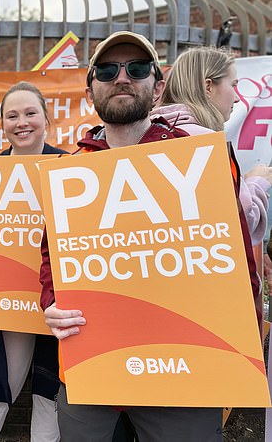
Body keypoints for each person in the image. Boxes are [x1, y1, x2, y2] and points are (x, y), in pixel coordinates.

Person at [40, 30, 262, 441]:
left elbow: (237, 259)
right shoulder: (71, 171)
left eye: (137, 68)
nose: (121, 78)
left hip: (183, 374)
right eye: (107, 71)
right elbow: (52, 258)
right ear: (91, 92)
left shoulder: (196, 155)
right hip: (93, 368)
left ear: (157, 87)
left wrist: (239, 344)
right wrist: (52, 304)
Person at [0, 82, 66, 442]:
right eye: (12, 115)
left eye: (30, 113)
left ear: (46, 118)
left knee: (49, 389)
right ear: (2, 124)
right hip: (6, 300)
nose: (21, 122)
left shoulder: (70, 166)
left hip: (57, 299)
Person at [152, 46, 271, 245]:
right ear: (208, 86)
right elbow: (239, 225)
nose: (237, 97)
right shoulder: (204, 142)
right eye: (233, 85)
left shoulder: (148, 133)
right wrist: (257, 183)